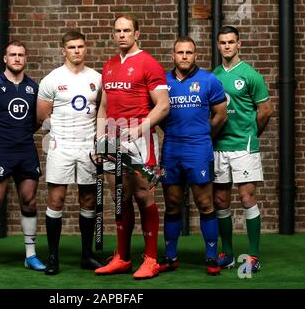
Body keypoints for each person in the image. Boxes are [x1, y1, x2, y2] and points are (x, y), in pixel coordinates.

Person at [94, 14, 170, 280]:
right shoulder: (110, 65)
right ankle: (122, 257)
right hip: (112, 138)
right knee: (119, 196)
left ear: (137, 33)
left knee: (142, 194)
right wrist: (99, 139)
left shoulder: (149, 63)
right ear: (114, 34)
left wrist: (139, 129)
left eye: (127, 30)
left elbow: (163, 105)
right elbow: (103, 107)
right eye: (118, 31)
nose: (122, 35)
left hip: (140, 139)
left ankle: (151, 260)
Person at [0, 40, 46, 275]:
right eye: (12, 55)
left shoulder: (33, 88)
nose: (17, 58)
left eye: (21, 55)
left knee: (29, 200)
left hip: (25, 150)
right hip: (0, 151)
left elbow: (37, 121)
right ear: (5, 58)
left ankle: (31, 255)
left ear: (26, 58)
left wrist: (20, 135)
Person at [159, 36, 227, 276]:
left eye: (189, 52)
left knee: (205, 203)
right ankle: (171, 255)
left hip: (198, 150)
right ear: (173, 55)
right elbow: (157, 112)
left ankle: (210, 256)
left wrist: (204, 132)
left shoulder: (209, 80)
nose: (184, 56)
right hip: (171, 150)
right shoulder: (163, 82)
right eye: (180, 52)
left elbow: (221, 114)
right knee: (172, 204)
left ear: (195, 55)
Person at [36, 30, 103, 275]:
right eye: (72, 47)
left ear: (86, 49)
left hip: (88, 147)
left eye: (81, 46)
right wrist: (63, 134)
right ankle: (53, 258)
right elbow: (42, 116)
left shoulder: (97, 78)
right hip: (61, 146)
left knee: (88, 199)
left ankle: (87, 255)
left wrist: (97, 143)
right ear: (63, 50)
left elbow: (102, 114)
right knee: (56, 199)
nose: (77, 51)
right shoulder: (51, 79)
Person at [213, 26, 273, 273]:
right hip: (219, 146)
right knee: (220, 200)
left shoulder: (251, 75)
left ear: (239, 44)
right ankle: (226, 252)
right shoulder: (213, 76)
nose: (226, 46)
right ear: (218, 46)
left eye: (231, 42)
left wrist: (251, 135)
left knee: (247, 198)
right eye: (222, 42)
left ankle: (254, 255)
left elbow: (266, 111)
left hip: (244, 147)